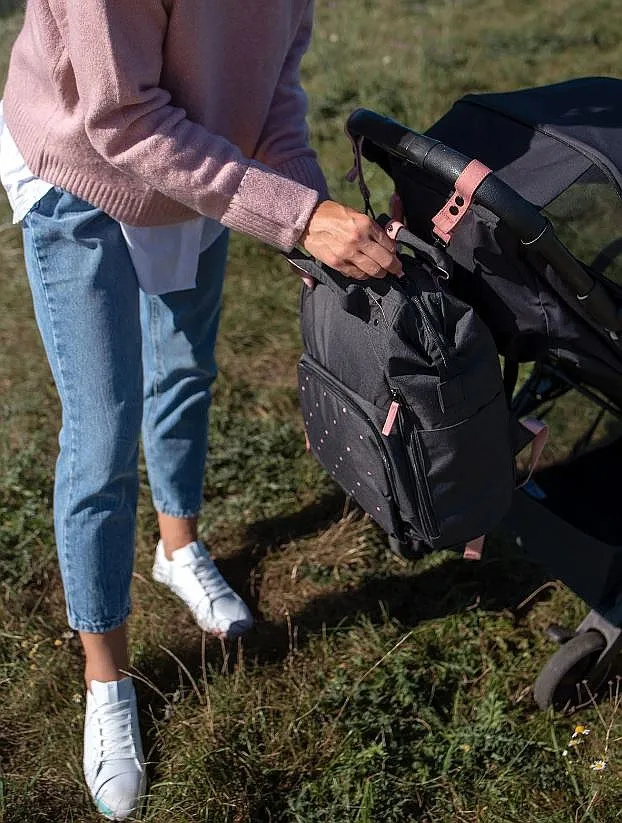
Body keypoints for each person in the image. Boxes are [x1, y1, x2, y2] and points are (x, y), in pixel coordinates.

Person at [0, 1, 402, 818]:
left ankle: (177, 549)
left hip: (194, 166)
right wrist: (296, 218)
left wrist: (307, 215)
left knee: (185, 367)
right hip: (83, 166)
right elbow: (120, 117)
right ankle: (105, 679)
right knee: (104, 430)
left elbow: (271, 94)